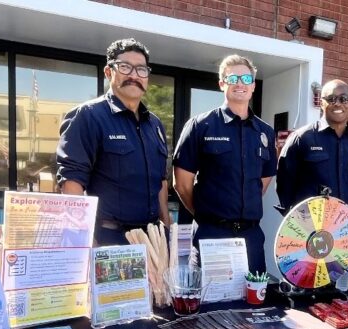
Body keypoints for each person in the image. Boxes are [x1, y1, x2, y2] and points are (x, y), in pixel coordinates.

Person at [56, 38, 170, 245]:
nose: (134, 75)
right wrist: (86, 240)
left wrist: (166, 226)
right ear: (109, 72)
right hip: (109, 239)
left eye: (141, 70)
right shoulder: (88, 116)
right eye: (125, 67)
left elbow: (160, 182)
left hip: (153, 239)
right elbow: (72, 182)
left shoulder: (154, 124)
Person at [173, 55, 276, 273]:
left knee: (255, 303)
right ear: (222, 84)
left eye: (246, 78)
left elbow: (262, 184)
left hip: (251, 238)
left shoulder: (265, 132)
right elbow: (181, 184)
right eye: (233, 78)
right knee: (210, 304)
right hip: (212, 234)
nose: (240, 83)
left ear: (253, 86)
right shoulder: (201, 126)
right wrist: (206, 214)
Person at [276, 79, 348, 210]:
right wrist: (299, 220)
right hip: (309, 225)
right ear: (321, 102)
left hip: (344, 225)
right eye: (331, 99)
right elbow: (284, 184)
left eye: (344, 99)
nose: (338, 104)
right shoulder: (302, 138)